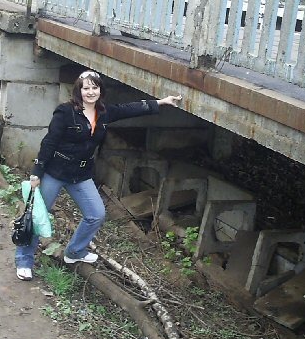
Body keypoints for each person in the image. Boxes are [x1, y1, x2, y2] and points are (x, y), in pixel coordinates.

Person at [15, 70, 183, 280]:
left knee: (96, 214)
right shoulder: (65, 112)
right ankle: (24, 260)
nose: (91, 92)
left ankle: (74, 252)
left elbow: (130, 109)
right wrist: (36, 173)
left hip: (81, 174)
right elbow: (49, 143)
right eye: (86, 88)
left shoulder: (103, 113)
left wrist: (161, 102)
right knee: (37, 215)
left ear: (100, 90)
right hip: (55, 171)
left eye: (95, 87)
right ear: (79, 90)